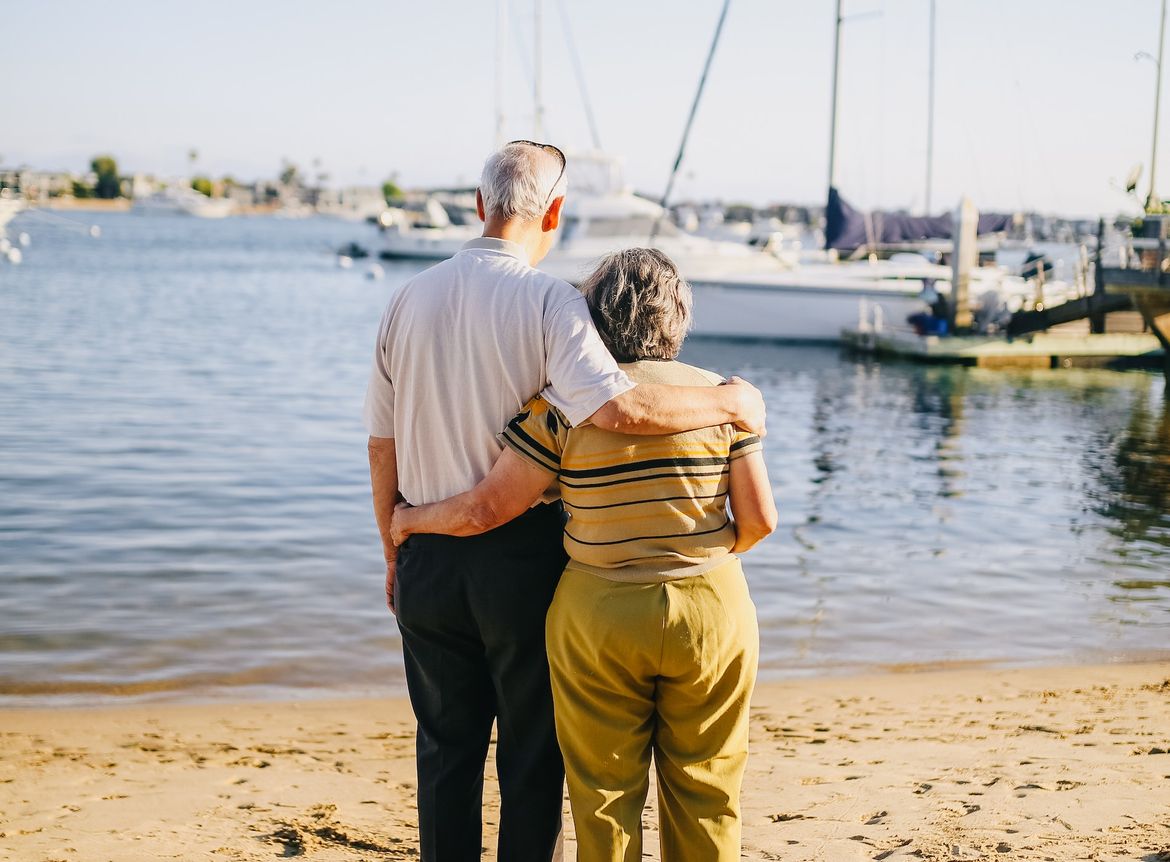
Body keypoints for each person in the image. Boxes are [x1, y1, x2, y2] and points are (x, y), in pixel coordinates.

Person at [364, 142, 767, 862]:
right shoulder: (550, 300)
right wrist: (731, 401)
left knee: (444, 754)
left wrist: (395, 545)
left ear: (480, 204)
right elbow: (619, 409)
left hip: (426, 556)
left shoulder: (404, 298)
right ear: (552, 211)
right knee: (531, 757)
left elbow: (380, 446)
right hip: (521, 560)